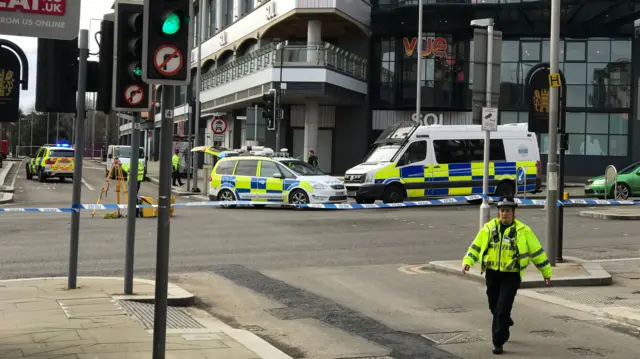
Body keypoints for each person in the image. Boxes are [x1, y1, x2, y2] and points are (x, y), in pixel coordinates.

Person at [461, 197, 552, 355]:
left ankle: (498, 342)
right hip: (492, 274)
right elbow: (475, 246)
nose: (504, 214)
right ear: (499, 213)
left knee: (502, 309)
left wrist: (546, 272)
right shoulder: (488, 229)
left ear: (513, 213)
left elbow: (537, 252)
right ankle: (505, 322)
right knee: (494, 306)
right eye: (502, 211)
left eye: (508, 211)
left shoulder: (523, 231)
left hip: (511, 276)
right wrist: (468, 261)